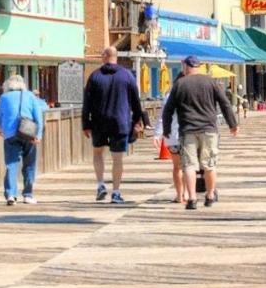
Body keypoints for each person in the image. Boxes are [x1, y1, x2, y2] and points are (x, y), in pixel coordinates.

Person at [163, 55, 239, 210]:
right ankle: (210, 195)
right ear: (199, 66)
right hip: (209, 130)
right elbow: (225, 103)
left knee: (189, 166)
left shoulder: (179, 84)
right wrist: (233, 124)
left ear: (186, 67)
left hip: (188, 130)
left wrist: (166, 129)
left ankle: (191, 199)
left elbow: (168, 110)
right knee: (210, 164)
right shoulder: (211, 82)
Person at [82, 46, 149, 204]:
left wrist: (86, 123)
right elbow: (135, 101)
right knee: (117, 158)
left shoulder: (94, 76)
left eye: (101, 54)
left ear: (105, 56)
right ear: (116, 57)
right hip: (120, 122)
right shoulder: (127, 76)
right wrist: (137, 120)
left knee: (98, 153)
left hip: (99, 121)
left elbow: (87, 103)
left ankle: (100, 185)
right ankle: (116, 192)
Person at [0, 74, 44, 205]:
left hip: (10, 134)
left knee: (11, 164)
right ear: (23, 84)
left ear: (8, 85)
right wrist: (38, 135)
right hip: (28, 133)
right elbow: (38, 117)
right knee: (29, 165)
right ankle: (28, 195)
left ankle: (11, 195)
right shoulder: (30, 96)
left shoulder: (3, 98)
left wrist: (2, 129)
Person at [154, 82, 184, 203]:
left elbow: (163, 116)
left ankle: (179, 195)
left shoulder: (170, 95)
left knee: (177, 167)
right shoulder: (193, 92)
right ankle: (188, 194)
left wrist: (158, 133)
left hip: (173, 137)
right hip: (191, 135)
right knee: (189, 167)